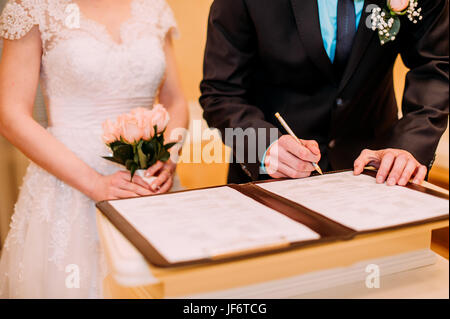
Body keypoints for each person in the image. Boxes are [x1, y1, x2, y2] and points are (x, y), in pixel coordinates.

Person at [0, 0, 188, 298]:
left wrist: (169, 156)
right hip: (69, 185)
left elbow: (175, 100)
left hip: (149, 184)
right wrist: (94, 183)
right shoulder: (32, 7)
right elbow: (11, 115)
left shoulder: (153, 7)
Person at [200, 0, 449, 186]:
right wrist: (262, 147)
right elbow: (221, 93)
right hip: (271, 181)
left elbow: (436, 67)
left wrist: (408, 145)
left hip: (376, 178)